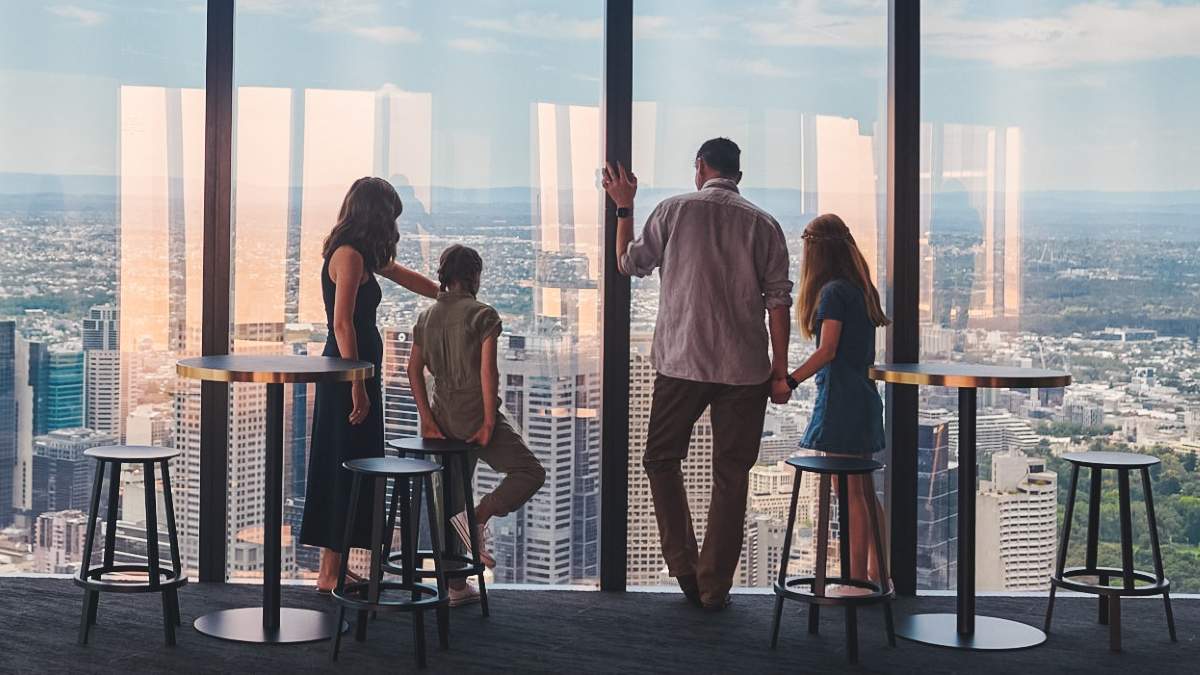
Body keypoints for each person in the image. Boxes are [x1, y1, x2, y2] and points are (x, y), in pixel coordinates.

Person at [602, 138, 793, 610]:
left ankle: (684, 566)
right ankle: (713, 587)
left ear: (699, 167)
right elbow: (778, 304)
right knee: (732, 475)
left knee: (661, 458)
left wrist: (624, 208)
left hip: (681, 363)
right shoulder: (764, 225)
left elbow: (629, 264)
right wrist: (780, 370)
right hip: (744, 368)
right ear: (738, 176)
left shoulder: (673, 211)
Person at [301, 177, 440, 593]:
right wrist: (357, 384)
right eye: (391, 216)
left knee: (349, 463)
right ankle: (329, 573)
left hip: (356, 371)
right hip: (348, 373)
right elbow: (342, 323)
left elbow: (402, 274)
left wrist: (449, 296)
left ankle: (334, 569)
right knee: (341, 464)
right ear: (375, 215)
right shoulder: (348, 256)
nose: (394, 225)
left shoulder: (359, 254)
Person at [408, 244, 546, 607]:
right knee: (529, 472)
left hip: (441, 417)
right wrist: (487, 422)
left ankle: (456, 586)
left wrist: (426, 419)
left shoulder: (425, 318)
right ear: (474, 276)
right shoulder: (483, 315)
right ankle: (480, 516)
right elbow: (488, 372)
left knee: (453, 495)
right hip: (473, 414)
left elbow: (413, 371)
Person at [781, 213, 890, 587]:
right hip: (864, 398)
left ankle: (854, 580)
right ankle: (878, 574)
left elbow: (828, 350)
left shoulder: (832, 293)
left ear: (816, 252)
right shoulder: (861, 288)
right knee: (863, 490)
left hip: (841, 401)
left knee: (847, 492)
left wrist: (790, 380)